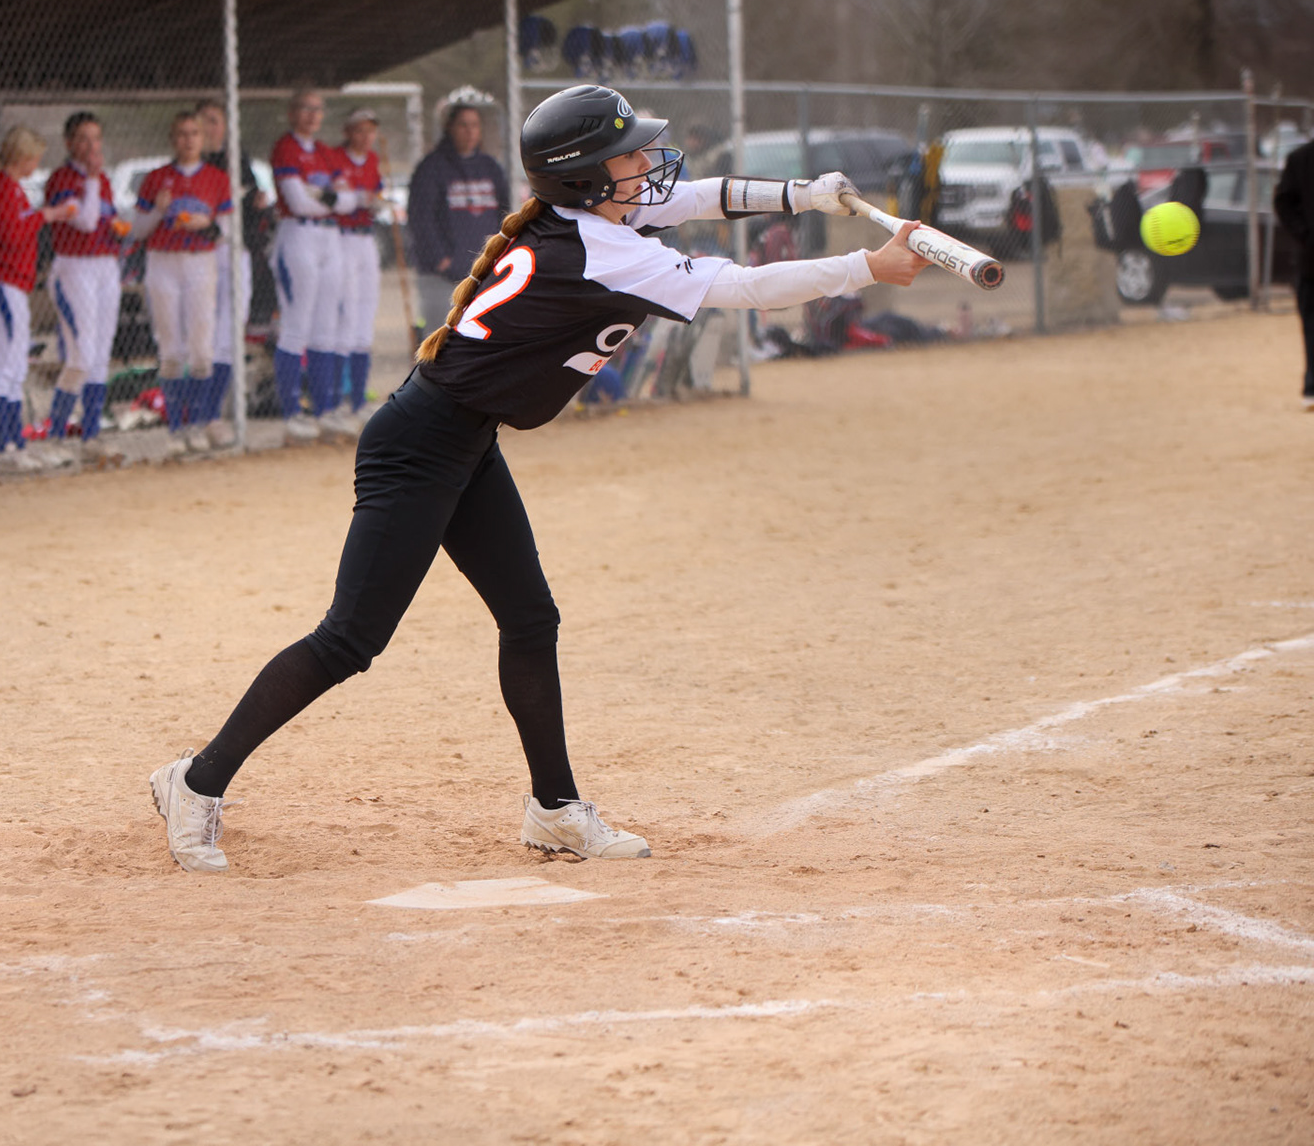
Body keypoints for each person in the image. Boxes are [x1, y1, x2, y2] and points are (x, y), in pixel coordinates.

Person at [148, 84, 931, 873]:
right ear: (586, 176)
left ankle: (554, 809)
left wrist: (802, 194)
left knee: (530, 619)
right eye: (627, 154)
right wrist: (865, 266)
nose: (647, 164)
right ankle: (196, 781)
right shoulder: (606, 248)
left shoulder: (591, 216)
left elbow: (699, 196)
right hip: (419, 446)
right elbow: (744, 287)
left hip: (464, 438)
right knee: (350, 639)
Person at [133, 112, 234, 453]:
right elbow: (138, 230)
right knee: (171, 348)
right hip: (163, 261)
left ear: (203, 139)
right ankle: (177, 428)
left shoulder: (217, 178)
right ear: (172, 139)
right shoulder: (156, 178)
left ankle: (200, 422)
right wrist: (158, 211)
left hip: (200, 262)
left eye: (194, 133)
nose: (188, 140)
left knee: (201, 349)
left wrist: (205, 225)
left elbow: (226, 230)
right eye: (181, 134)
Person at [0, 125, 74, 471]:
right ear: (23, 157)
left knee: (14, 364)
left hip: (10, 282)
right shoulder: (2, 186)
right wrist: (45, 216)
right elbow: (11, 234)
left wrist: (43, 215)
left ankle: (14, 443)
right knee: (7, 364)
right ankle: (3, 447)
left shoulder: (6, 186)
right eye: (34, 158)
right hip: (3, 281)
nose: (36, 164)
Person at [269, 89, 358, 442]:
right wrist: (331, 199)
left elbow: (349, 201)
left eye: (317, 109)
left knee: (326, 327)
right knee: (296, 325)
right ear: (292, 113)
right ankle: (292, 414)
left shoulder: (325, 152)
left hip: (330, 238)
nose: (312, 115)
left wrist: (322, 196)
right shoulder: (286, 147)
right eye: (305, 108)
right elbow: (298, 202)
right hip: (298, 235)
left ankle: (325, 410)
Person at [41, 112, 126, 457]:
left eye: (96, 138)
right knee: (82, 354)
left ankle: (91, 435)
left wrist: (118, 229)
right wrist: (91, 180)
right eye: (83, 139)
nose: (92, 146)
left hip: (105, 266)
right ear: (69, 143)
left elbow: (104, 219)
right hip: (74, 268)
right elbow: (87, 222)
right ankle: (56, 436)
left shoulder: (103, 180)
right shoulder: (61, 180)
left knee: (101, 354)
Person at [192, 97, 270, 451]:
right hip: (202, 254)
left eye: (215, 121)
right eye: (203, 121)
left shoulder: (237, 158)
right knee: (199, 336)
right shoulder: (192, 166)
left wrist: (256, 204)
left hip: (236, 251)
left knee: (228, 335)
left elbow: (251, 207)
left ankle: (214, 415)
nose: (210, 128)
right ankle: (193, 417)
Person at [407, 93, 509, 331]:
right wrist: (441, 260)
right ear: (450, 128)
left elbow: (503, 214)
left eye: (475, 125)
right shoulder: (432, 167)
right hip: (442, 275)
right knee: (441, 336)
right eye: (463, 125)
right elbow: (421, 218)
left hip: (483, 272)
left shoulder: (490, 167)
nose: (470, 131)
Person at [322, 108, 387, 432]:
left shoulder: (373, 159)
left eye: (370, 130)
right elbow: (334, 197)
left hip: (365, 237)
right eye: (359, 130)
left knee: (365, 314)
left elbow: (376, 193)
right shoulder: (335, 157)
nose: (365, 136)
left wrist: (375, 200)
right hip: (342, 236)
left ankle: (359, 400)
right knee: (345, 318)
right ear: (347, 131)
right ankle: (337, 400)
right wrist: (358, 198)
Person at [1273, 137, 1314, 410]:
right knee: (1311, 325)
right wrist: (1305, 235)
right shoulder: (1301, 159)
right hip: (1312, 261)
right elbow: (1283, 202)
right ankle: (1312, 388)